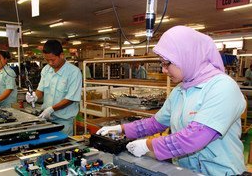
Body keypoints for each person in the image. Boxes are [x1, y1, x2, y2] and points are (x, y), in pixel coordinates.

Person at [96, 26, 246, 175]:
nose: (163, 70)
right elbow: (156, 123)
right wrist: (121, 129)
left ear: (186, 56)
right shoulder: (181, 90)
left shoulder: (223, 87)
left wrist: (148, 145)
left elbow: (195, 137)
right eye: (162, 63)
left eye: (167, 63)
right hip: (184, 171)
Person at [26, 40, 82, 136]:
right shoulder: (46, 69)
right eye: (47, 60)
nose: (50, 63)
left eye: (52, 60)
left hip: (63, 122)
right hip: (46, 119)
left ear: (61, 55)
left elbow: (70, 98)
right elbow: (41, 89)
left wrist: (51, 109)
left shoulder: (74, 72)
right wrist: (34, 96)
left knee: (62, 147)